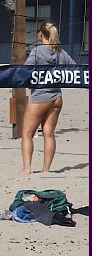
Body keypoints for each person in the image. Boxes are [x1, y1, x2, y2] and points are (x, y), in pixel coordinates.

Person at [19, 19, 77, 176]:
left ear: (40, 35)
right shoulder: (61, 52)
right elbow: (75, 69)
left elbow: (25, 71)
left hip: (40, 97)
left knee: (27, 134)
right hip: (56, 97)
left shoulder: (37, 52)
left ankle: (27, 168)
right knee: (49, 134)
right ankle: (46, 169)